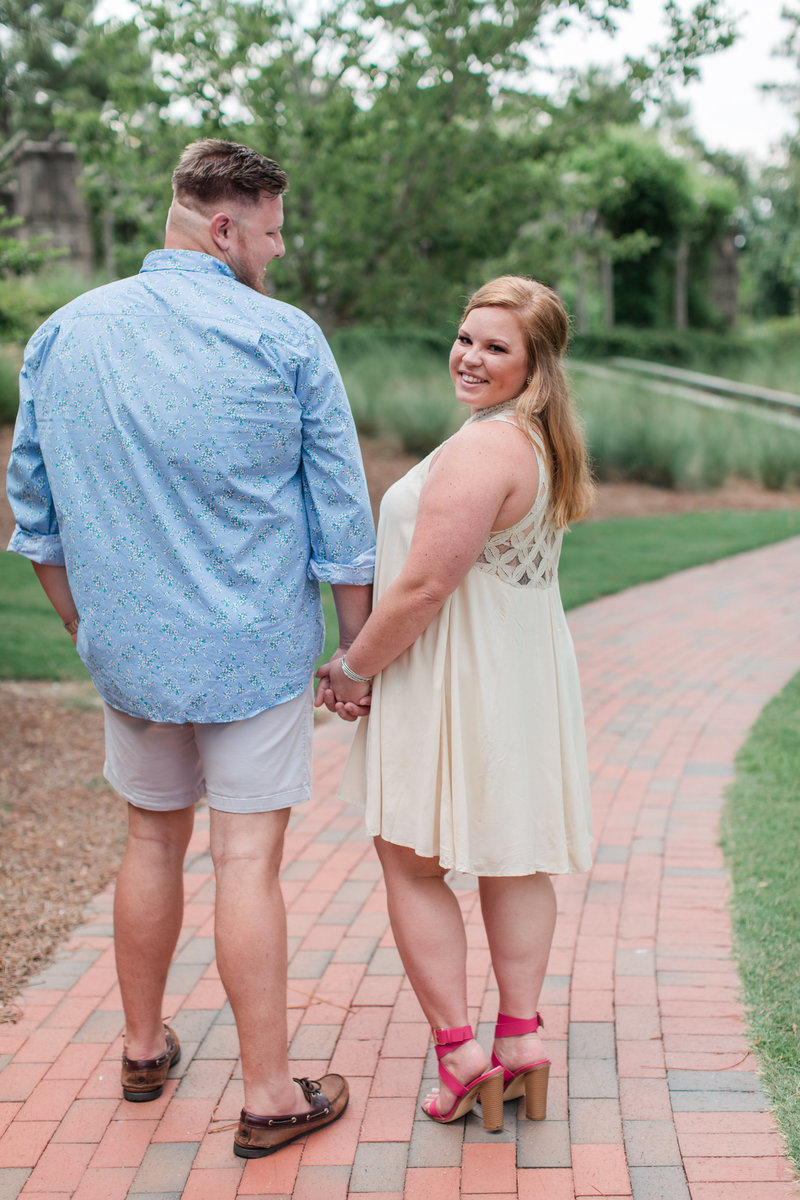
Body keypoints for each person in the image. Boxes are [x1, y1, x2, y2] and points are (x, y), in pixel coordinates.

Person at [6, 138, 375, 1158]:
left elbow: (31, 511)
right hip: (251, 650)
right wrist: (353, 655)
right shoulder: (285, 339)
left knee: (150, 841)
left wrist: (88, 627)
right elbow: (341, 517)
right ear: (225, 226)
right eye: (272, 228)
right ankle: (265, 1093)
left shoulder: (64, 334)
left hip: (132, 657)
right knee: (245, 860)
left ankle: (138, 1046)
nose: (281, 247)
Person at [316, 275, 593, 1131]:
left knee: (410, 861)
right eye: (466, 337)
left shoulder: (485, 448)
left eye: (496, 347)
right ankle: (521, 1040)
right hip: (514, 674)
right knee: (515, 855)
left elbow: (426, 585)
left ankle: (462, 1054)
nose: (469, 357)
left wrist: (354, 668)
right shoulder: (532, 442)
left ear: (536, 365)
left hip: (453, 678)